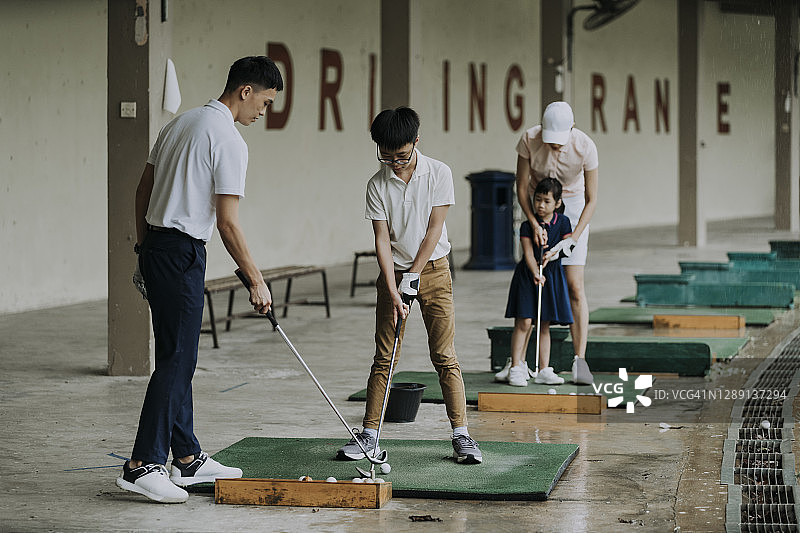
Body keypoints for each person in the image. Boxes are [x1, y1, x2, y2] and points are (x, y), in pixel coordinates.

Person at [117, 56, 283, 503]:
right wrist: (256, 279)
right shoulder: (228, 140)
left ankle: (187, 457)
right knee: (177, 360)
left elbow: (142, 189)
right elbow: (227, 222)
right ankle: (142, 464)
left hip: (156, 247)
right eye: (265, 101)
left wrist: (143, 249)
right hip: (182, 253)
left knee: (177, 354)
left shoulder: (179, 123)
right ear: (245, 91)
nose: (263, 111)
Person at [336, 106, 482, 465]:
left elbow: (434, 229)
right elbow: (382, 240)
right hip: (393, 274)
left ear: (416, 141)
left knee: (444, 356)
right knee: (384, 356)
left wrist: (413, 275)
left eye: (401, 155)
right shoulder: (376, 184)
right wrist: (392, 287)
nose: (395, 163)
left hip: (434, 272)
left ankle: (462, 435)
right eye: (386, 157)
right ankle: (369, 436)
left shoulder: (439, 173)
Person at [514, 101, 598, 385]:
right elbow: (521, 186)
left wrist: (574, 237)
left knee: (574, 285)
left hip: (572, 207)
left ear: (572, 129)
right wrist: (534, 222)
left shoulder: (586, 147)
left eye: (559, 141)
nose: (554, 146)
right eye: (550, 139)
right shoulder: (529, 139)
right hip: (539, 205)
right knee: (535, 279)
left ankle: (580, 360)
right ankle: (519, 361)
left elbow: (592, 199)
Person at [499, 178, 573, 387]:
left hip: (551, 275)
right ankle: (516, 367)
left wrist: (553, 253)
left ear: (557, 203)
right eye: (537, 199)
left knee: (544, 323)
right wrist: (535, 273)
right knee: (524, 321)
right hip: (528, 275)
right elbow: (528, 254)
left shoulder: (563, 222)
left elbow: (567, 246)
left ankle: (543, 369)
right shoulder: (526, 225)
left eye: (546, 201)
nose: (540, 205)